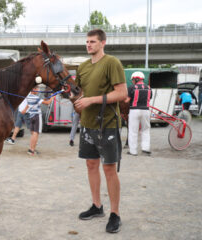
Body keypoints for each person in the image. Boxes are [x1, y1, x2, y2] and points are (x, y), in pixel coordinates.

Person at [74, 29, 127, 233]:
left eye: (93, 41)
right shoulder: (83, 66)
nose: (89, 45)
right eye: (87, 41)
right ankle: (97, 206)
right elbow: (79, 93)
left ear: (103, 43)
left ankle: (115, 213)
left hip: (108, 124)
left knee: (109, 169)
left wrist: (91, 100)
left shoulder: (112, 63)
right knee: (91, 165)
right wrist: (70, 95)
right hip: (87, 124)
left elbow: (121, 93)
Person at [127, 71, 152, 156]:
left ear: (136, 79)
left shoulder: (131, 87)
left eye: (133, 80)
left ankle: (133, 151)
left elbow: (126, 100)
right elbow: (149, 98)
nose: (132, 81)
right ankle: (145, 148)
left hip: (134, 111)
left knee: (133, 131)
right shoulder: (148, 88)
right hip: (146, 110)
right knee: (146, 129)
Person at [23, 86, 54, 155]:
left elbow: (39, 101)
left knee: (33, 133)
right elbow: (47, 103)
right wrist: (52, 97)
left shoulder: (29, 96)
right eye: (37, 89)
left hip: (31, 116)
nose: (38, 90)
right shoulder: (36, 98)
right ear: (33, 89)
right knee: (36, 133)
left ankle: (31, 149)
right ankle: (32, 150)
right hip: (37, 116)